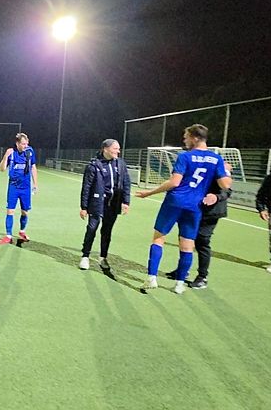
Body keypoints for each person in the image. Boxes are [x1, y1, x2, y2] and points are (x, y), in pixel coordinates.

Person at [135, 124, 232, 294]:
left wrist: (149, 193)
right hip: (195, 206)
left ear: (195, 138)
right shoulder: (216, 159)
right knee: (187, 245)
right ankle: (179, 284)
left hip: (175, 201)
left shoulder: (185, 156)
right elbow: (225, 185)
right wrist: (225, 171)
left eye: (186, 137)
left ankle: (152, 277)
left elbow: (174, 182)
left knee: (159, 238)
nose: (184, 140)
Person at [165, 162, 233, 289]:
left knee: (202, 242)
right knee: (185, 238)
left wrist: (216, 197)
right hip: (192, 208)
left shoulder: (219, 167)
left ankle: (202, 276)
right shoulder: (194, 163)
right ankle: (183, 270)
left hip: (211, 212)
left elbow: (227, 190)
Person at [78, 139, 130, 270]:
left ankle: (103, 257)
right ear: (105, 149)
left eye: (118, 149)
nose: (118, 151)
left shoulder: (121, 164)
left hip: (113, 204)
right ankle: (85, 256)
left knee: (107, 231)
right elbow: (86, 187)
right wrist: (84, 207)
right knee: (92, 229)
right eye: (115, 149)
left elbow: (126, 183)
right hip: (97, 203)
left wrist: (126, 201)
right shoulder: (94, 165)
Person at [0, 132, 37, 244]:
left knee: (25, 212)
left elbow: (33, 167)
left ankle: (22, 231)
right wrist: (5, 156)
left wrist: (35, 184)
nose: (25, 146)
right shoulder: (11, 153)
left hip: (25, 187)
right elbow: (2, 169)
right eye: (23, 144)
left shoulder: (30, 152)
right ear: (17, 143)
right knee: (10, 211)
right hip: (13, 187)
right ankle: (8, 235)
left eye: (26, 143)